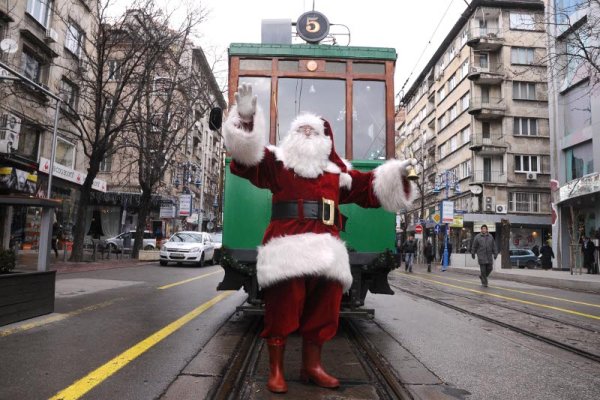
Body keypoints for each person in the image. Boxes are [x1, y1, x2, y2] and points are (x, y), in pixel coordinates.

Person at [223, 84, 416, 393]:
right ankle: (275, 370)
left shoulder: (336, 175)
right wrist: (245, 121)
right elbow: (245, 160)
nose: (308, 136)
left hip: (327, 254)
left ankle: (312, 366)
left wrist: (399, 176)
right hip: (286, 250)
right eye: (302, 131)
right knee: (281, 309)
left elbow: (370, 189)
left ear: (326, 141)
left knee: (324, 311)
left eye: (314, 132)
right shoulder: (276, 165)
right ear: (291, 137)